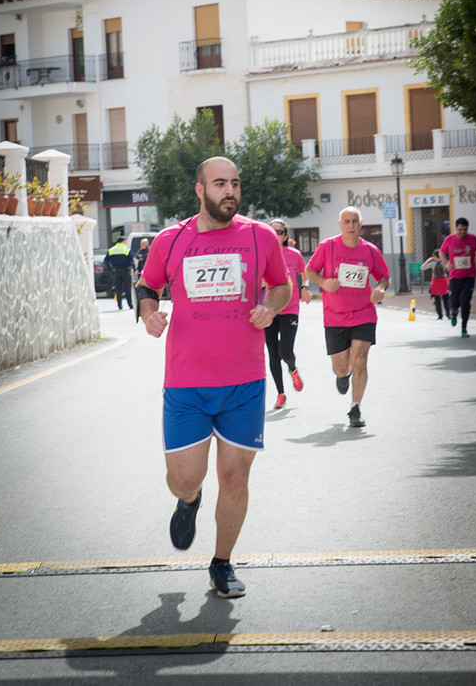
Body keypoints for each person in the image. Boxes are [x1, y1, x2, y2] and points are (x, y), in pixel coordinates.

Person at [136, 157, 291, 599]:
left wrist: (272, 305)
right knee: (186, 478)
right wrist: (150, 314)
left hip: (244, 381)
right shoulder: (172, 239)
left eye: (235, 184)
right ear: (200, 190)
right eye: (220, 184)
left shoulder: (261, 236)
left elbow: (280, 284)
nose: (230, 192)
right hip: (186, 382)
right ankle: (188, 501)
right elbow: (148, 286)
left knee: (235, 478)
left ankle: (221, 563)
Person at [305, 206, 390, 428]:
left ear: (361, 224)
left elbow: (383, 277)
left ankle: (355, 408)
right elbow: (310, 271)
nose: (351, 226)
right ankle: (343, 375)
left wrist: (380, 288)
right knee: (341, 367)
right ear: (340, 224)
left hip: (364, 312)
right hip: (334, 316)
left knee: (360, 359)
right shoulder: (328, 246)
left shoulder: (371, 251)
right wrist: (323, 282)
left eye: (355, 221)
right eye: (347, 221)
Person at [265, 218, 312, 409]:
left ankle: (292, 369)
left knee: (284, 350)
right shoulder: (264, 254)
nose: (276, 235)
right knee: (272, 354)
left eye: (280, 232)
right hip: (269, 308)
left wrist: (305, 287)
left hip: (290, 308)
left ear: (285, 235)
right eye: (272, 231)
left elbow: (305, 272)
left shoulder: (294, 254)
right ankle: (280, 394)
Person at [439, 217, 476, 338]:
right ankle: (453, 312)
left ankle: (464, 327)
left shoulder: (473, 239)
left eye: (464, 230)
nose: (462, 232)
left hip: (469, 275)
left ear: (467, 229)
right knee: (453, 301)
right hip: (454, 276)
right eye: (460, 230)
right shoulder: (449, 239)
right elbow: (442, 253)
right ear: (456, 228)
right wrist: (447, 263)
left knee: (465, 302)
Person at [105, 235, 133, 310]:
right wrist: (133, 268)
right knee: (128, 289)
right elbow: (131, 260)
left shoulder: (111, 249)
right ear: (123, 241)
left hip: (116, 271)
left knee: (118, 289)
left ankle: (119, 305)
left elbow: (106, 261)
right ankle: (130, 304)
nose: (126, 242)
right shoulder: (126, 249)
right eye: (125, 241)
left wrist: (111, 268)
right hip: (125, 271)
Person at [420, 249, 450, 319]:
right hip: (444, 281)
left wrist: (428, 260)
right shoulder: (444, 262)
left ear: (434, 256)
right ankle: (448, 314)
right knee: (446, 299)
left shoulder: (433, 263)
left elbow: (422, 267)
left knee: (437, 300)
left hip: (435, 282)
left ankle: (440, 315)